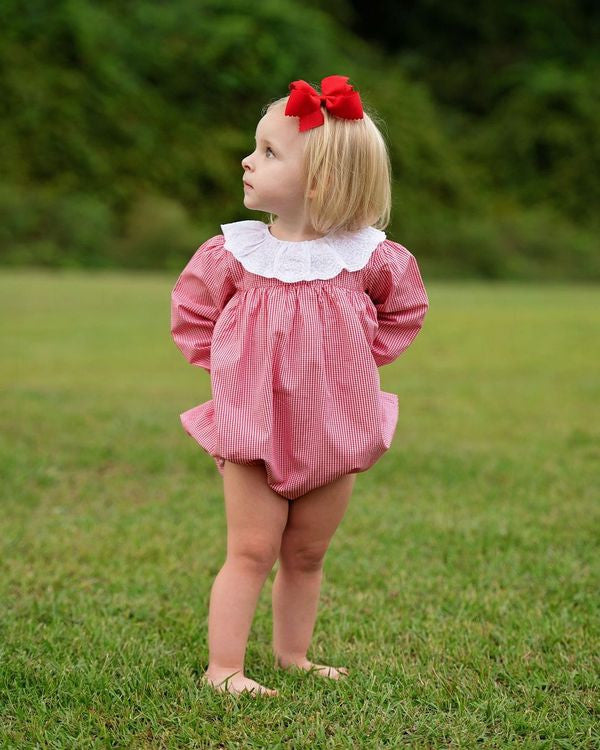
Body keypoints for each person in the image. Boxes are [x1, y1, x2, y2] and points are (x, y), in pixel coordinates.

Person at [170, 75, 430, 697]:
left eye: (267, 152)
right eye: (255, 147)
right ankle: (224, 668)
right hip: (253, 427)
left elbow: (404, 309)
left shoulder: (369, 259)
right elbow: (194, 311)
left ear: (320, 182)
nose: (247, 159)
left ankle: (293, 656)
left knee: (307, 553)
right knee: (252, 550)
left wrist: (356, 363)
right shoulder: (235, 253)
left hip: (335, 428)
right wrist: (228, 372)